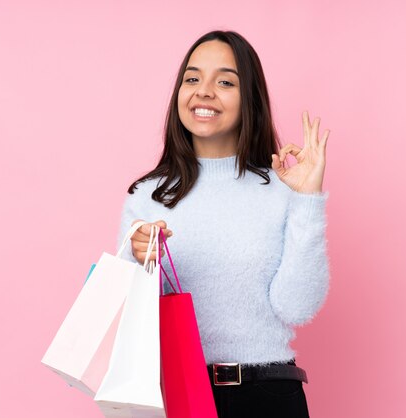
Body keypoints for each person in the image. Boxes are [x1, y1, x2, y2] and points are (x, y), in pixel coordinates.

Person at [116, 30, 330, 418]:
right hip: (175, 395)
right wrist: (137, 259)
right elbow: (129, 320)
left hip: (268, 396)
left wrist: (306, 202)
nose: (204, 91)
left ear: (249, 99)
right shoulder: (148, 196)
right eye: (193, 78)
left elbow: (297, 307)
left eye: (225, 81)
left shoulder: (282, 188)